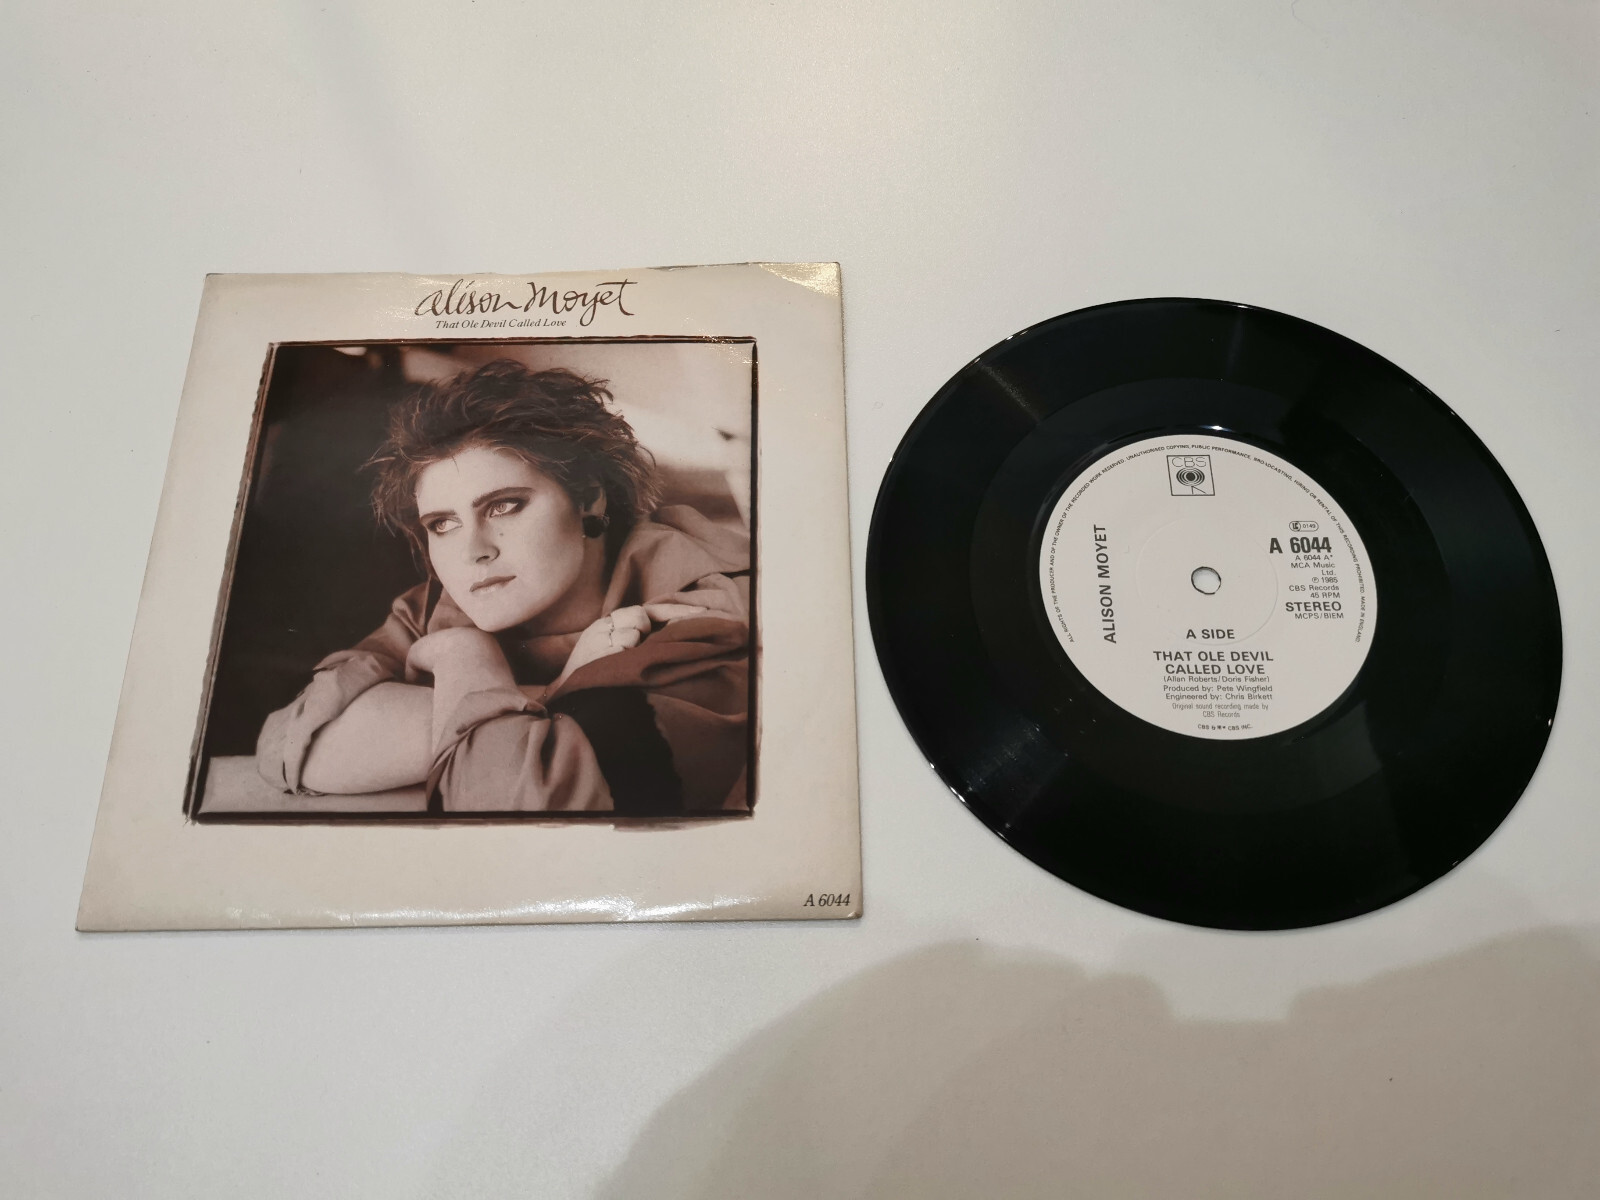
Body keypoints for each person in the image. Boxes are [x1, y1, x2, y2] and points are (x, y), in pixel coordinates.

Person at [255, 359, 751, 814]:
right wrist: (533, 687)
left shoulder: (702, 610)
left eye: (504, 506)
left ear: (588, 499)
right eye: (443, 524)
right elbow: (290, 743)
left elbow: (508, 812)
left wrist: (460, 664)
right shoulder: (448, 607)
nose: (473, 551)